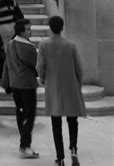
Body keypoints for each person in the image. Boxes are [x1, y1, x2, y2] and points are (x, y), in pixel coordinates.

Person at [38, 15, 86, 166]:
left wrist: (42, 78)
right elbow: (79, 67)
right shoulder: (70, 45)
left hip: (54, 86)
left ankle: (60, 158)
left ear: (50, 28)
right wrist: (79, 82)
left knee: (56, 124)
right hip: (70, 85)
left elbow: (40, 66)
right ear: (62, 27)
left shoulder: (44, 45)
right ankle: (73, 148)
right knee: (73, 121)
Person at [1, 18, 39, 159]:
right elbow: (37, 66)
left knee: (20, 112)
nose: (30, 31)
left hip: (15, 84)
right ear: (21, 31)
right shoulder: (29, 48)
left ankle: (24, 143)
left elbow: (7, 64)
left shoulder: (11, 44)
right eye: (28, 29)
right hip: (27, 85)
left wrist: (5, 82)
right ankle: (24, 145)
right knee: (30, 115)